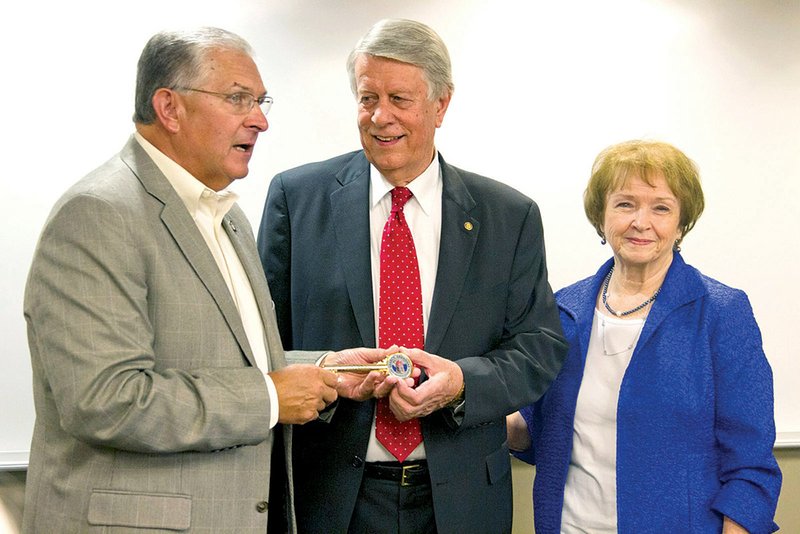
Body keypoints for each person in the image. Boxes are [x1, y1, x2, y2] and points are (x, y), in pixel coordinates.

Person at [22, 27, 382, 533]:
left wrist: (323, 368)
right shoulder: (98, 214)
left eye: (261, 101)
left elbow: (225, 359)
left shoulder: (225, 215)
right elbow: (105, 399)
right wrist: (272, 397)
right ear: (169, 108)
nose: (260, 120)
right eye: (239, 99)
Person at [257, 18, 567, 534]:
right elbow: (262, 347)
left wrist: (463, 384)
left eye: (399, 98)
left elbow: (538, 347)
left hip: (462, 499)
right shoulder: (296, 199)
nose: (380, 117)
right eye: (367, 97)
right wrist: (329, 371)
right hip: (329, 496)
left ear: (441, 104)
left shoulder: (508, 216)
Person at [507, 140, 782, 533]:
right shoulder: (562, 309)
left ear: (681, 222)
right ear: (600, 216)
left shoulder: (721, 313)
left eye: (661, 207)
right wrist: (461, 396)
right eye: (624, 204)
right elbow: (538, 433)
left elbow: (751, 465)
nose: (641, 221)